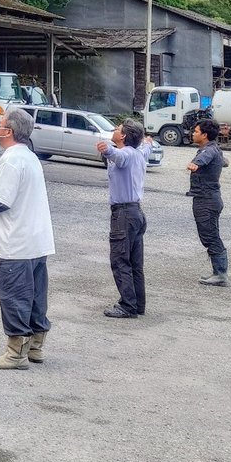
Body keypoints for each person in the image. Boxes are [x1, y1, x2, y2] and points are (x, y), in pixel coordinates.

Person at [0, 107, 55, 369]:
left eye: (2, 123)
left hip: (16, 241)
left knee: (14, 294)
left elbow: (1, 202)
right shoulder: (29, 157)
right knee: (35, 294)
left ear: (10, 131)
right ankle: (36, 346)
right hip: (36, 238)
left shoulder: (11, 159)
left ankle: (16, 352)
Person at [96, 119, 153, 318]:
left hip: (123, 214)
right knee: (135, 263)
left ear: (124, 136)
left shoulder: (126, 154)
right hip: (136, 212)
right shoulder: (139, 153)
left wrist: (106, 150)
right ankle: (138, 304)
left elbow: (116, 155)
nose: (114, 130)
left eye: (118, 129)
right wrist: (148, 142)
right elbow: (146, 148)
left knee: (120, 260)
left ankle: (128, 305)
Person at [188, 118, 229, 285]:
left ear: (204, 135)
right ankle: (218, 272)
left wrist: (194, 164)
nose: (193, 134)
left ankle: (220, 274)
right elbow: (225, 162)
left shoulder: (208, 151)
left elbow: (201, 161)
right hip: (209, 199)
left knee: (211, 237)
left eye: (196, 132)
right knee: (210, 235)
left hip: (206, 201)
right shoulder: (215, 149)